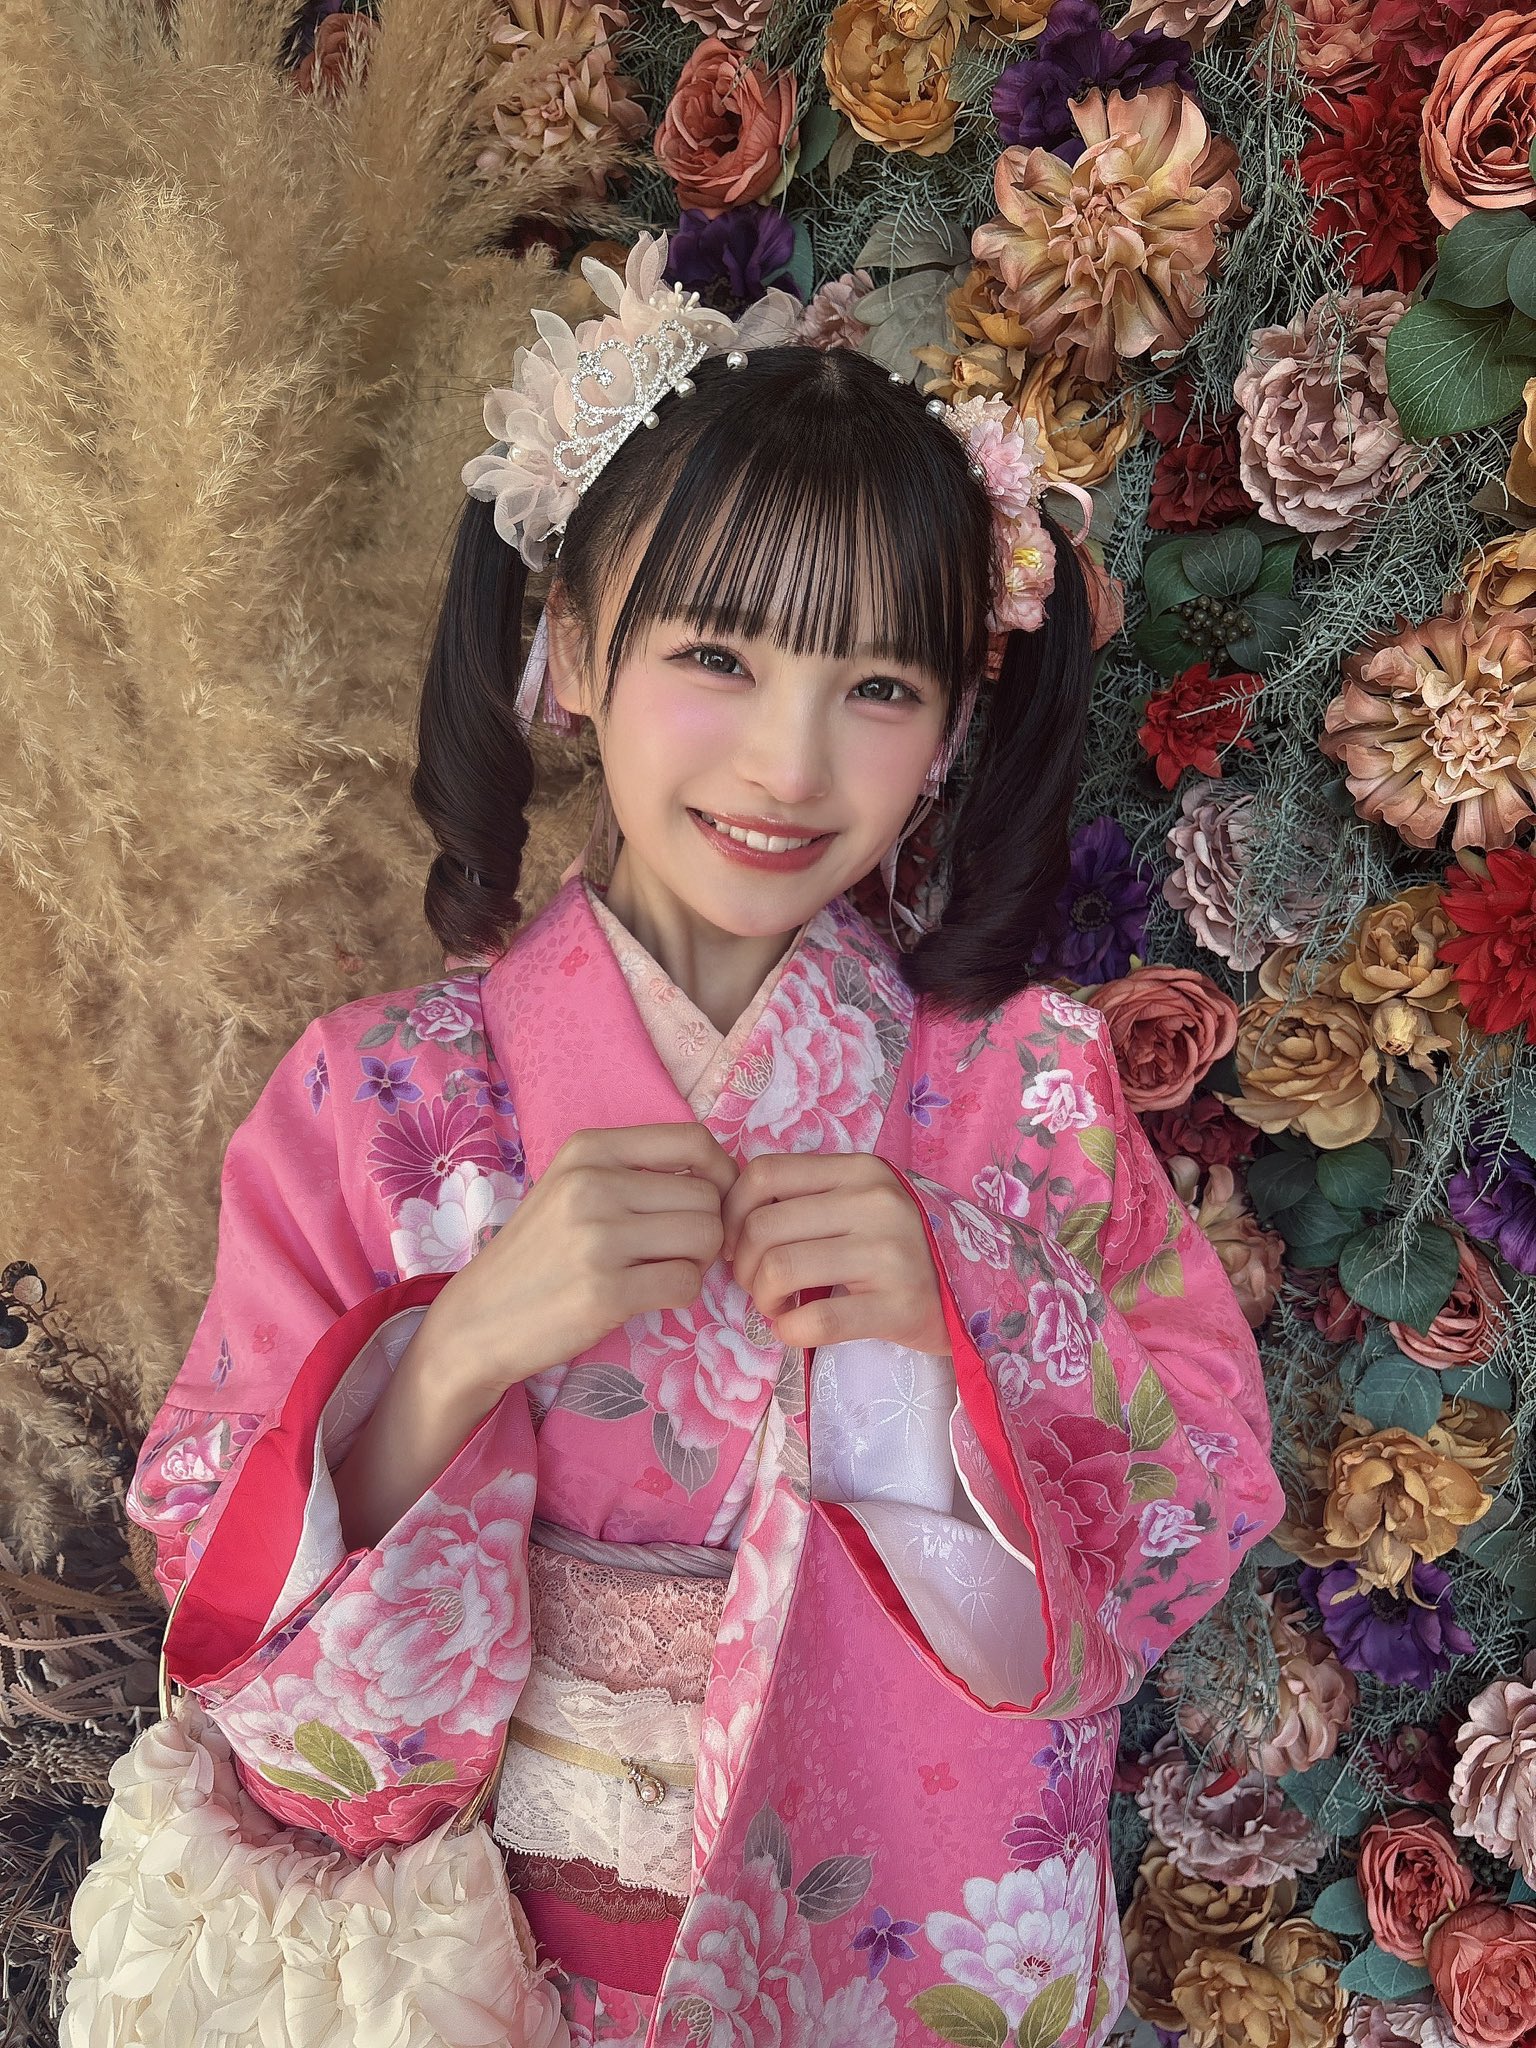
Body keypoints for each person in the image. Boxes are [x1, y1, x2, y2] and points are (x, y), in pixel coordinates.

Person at [126, 234, 1284, 2048]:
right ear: (578, 649)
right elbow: (217, 1558)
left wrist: (952, 1315)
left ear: (954, 721)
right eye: (719, 657)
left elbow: (1188, 1512)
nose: (787, 767)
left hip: (857, 1944)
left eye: (880, 688)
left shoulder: (1026, 1089)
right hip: (489, 1960)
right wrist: (461, 1347)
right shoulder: (380, 1097)